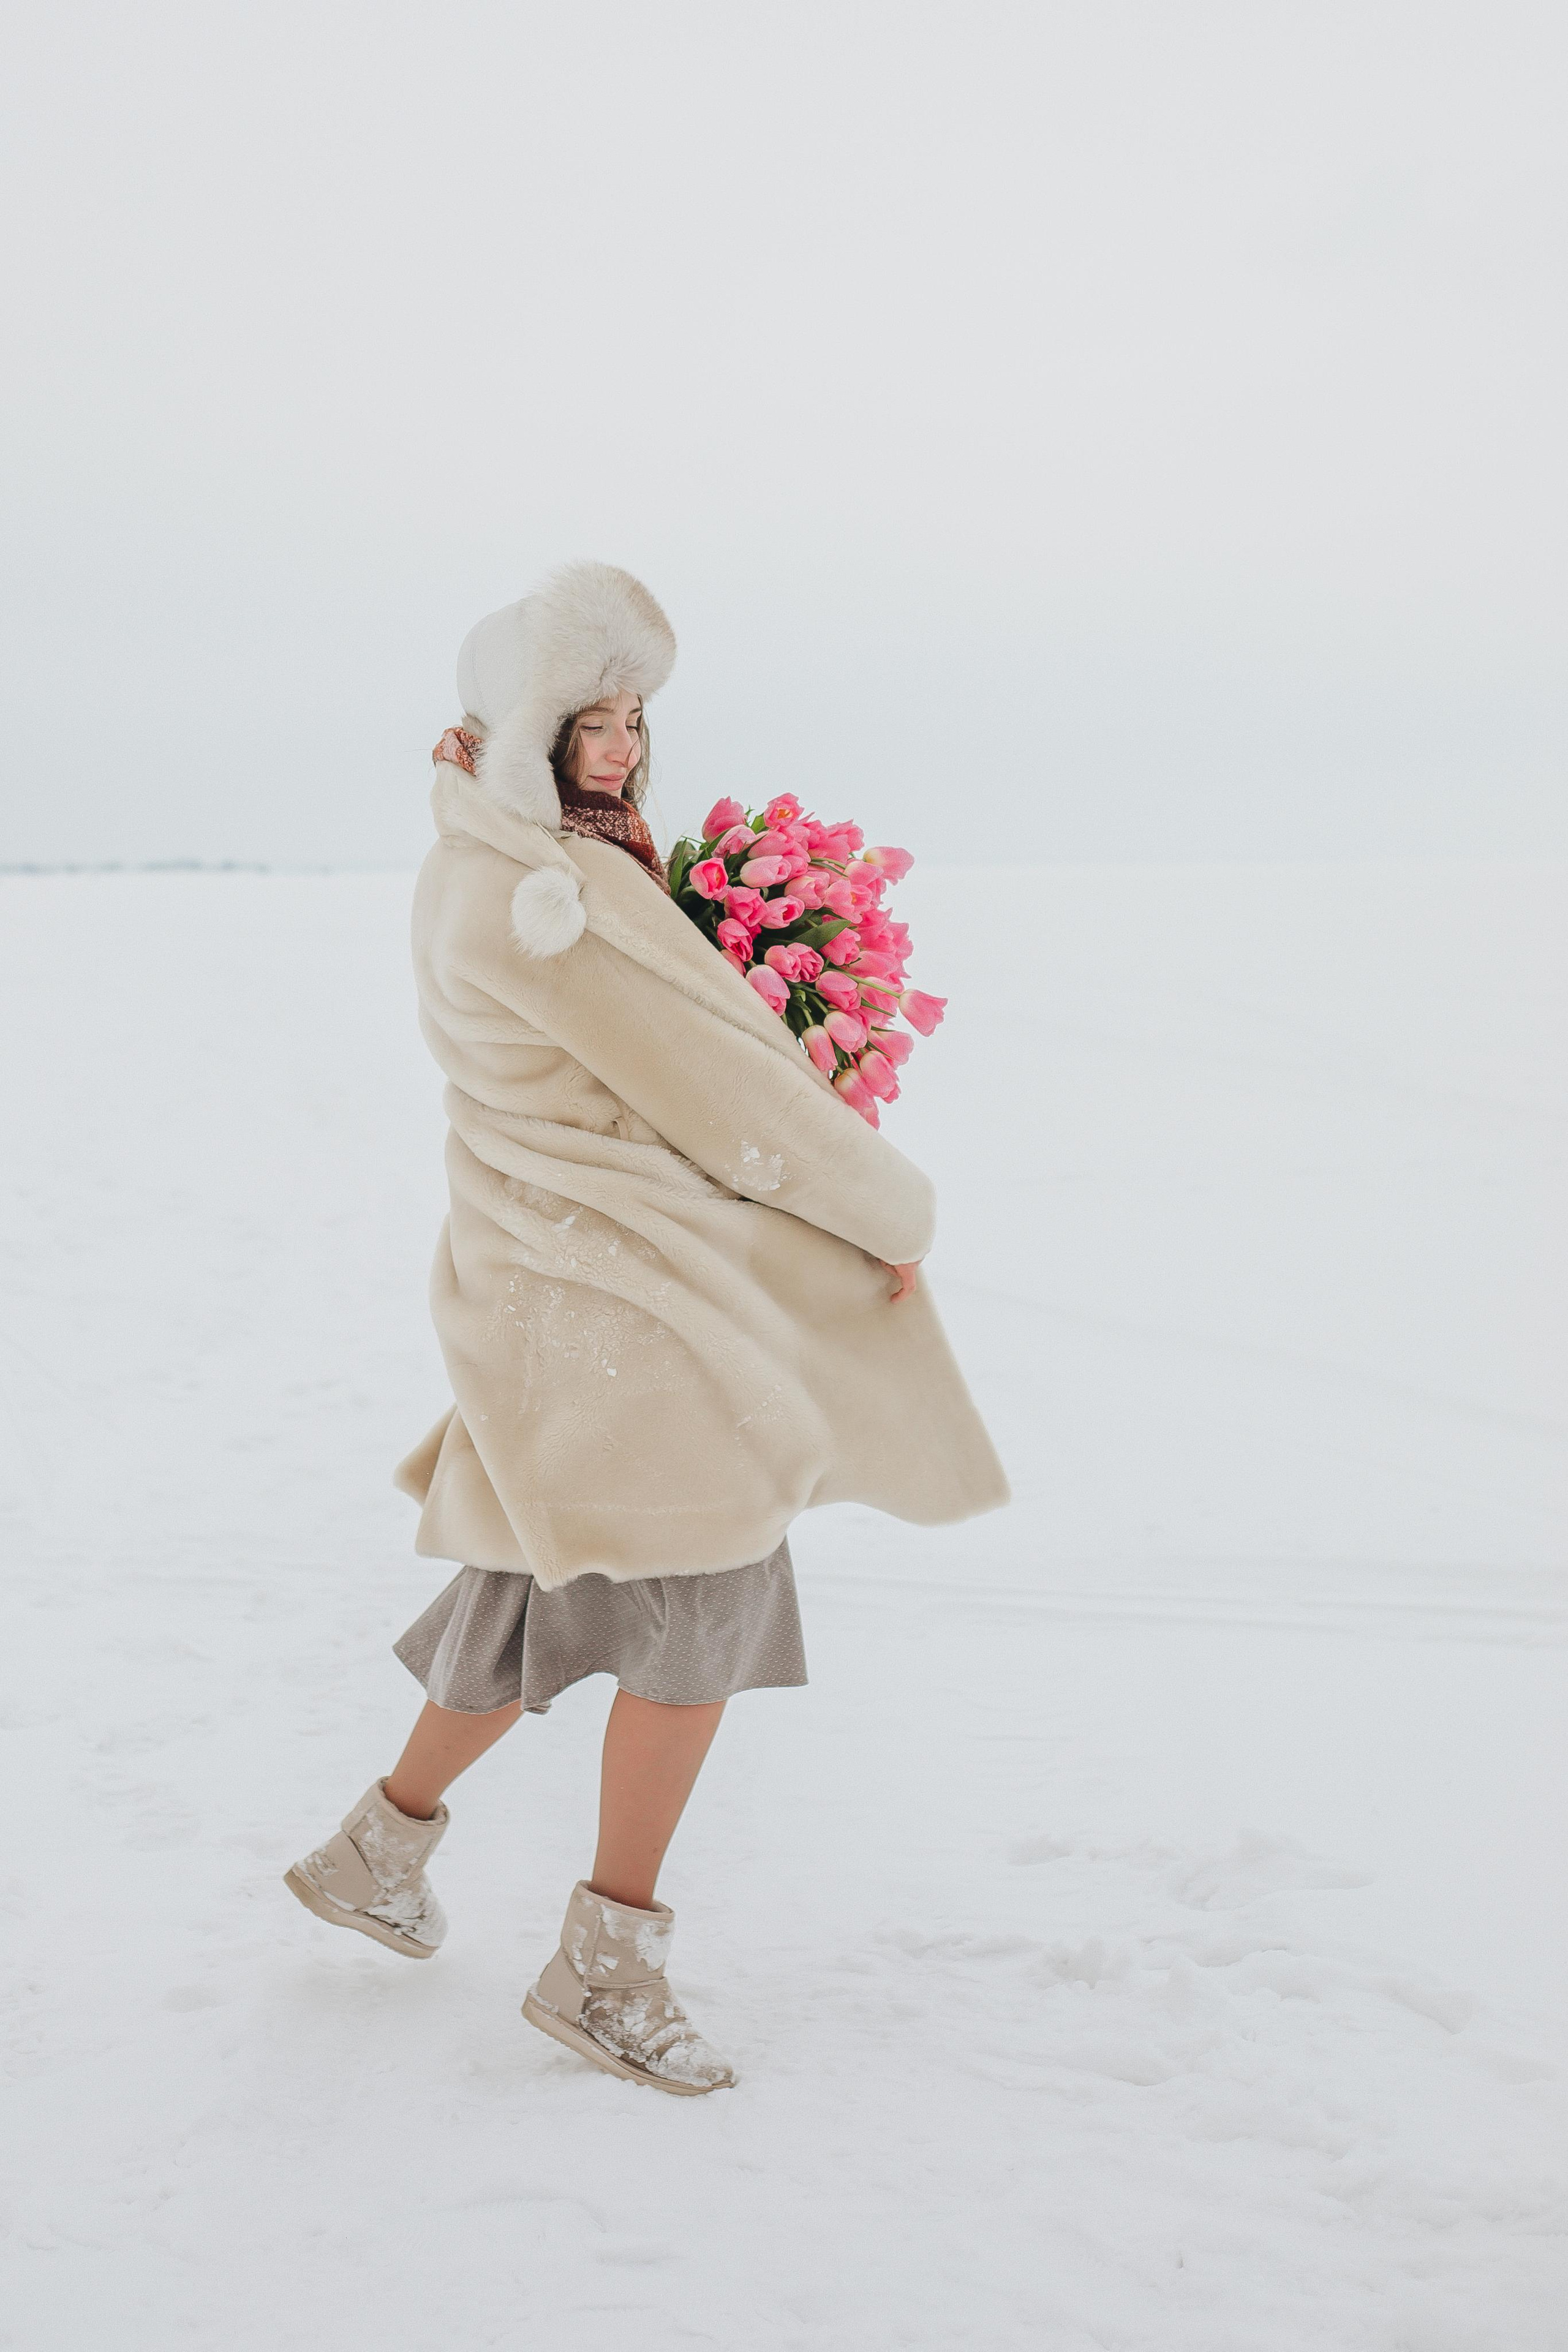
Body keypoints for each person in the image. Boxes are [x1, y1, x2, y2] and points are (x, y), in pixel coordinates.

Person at [284, 560, 1008, 2095]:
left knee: (544, 1576)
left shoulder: (479, 857)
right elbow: (725, 1095)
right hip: (627, 1293)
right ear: (518, 726)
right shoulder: (567, 897)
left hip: (537, 1282)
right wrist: (885, 1211)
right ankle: (603, 1971)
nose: (615, 749)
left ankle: (377, 1850)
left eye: (630, 719)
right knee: (701, 1607)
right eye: (586, 720)